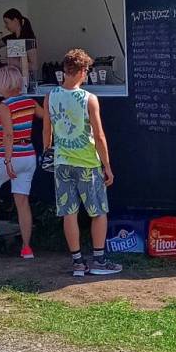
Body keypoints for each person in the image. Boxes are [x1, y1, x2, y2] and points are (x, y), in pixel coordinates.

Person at [43, 47, 121, 277]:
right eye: (87, 71)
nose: (87, 75)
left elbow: (47, 130)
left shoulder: (50, 96)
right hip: (87, 162)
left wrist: (48, 152)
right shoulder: (89, 99)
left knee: (69, 212)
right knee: (98, 212)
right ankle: (99, 260)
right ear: (81, 71)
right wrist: (107, 166)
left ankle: (77, 262)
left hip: (62, 162)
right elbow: (99, 135)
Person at [0, 66, 41, 258]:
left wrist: (8, 160)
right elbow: (47, 117)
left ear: (4, 83)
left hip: (9, 156)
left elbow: (8, 134)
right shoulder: (29, 102)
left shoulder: (4, 106)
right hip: (29, 155)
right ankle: (27, 248)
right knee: (22, 201)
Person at [2, 9, 38, 87]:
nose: (5, 26)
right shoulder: (11, 39)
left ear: (15, 20)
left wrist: (13, 61)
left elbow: (34, 66)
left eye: (6, 23)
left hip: (27, 83)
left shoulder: (29, 39)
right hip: (13, 82)